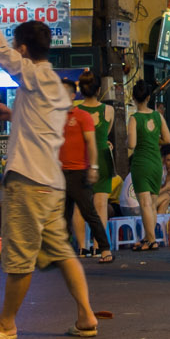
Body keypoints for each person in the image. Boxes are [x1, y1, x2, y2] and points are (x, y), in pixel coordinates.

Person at [0, 0, 100, 339]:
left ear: (23, 48)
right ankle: (86, 315)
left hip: (28, 180)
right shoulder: (52, 83)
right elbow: (43, 124)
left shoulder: (33, 73)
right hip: (50, 182)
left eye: (17, 48)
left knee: (19, 254)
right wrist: (13, 115)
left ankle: (7, 323)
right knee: (60, 249)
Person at [61, 88, 108, 261]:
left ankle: (104, 249)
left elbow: (91, 143)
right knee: (62, 216)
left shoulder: (82, 116)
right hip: (59, 173)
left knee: (89, 212)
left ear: (73, 95)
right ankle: (66, 254)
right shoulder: (54, 117)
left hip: (79, 172)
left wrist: (93, 167)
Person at [124, 80, 170, 251]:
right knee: (151, 203)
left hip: (141, 163)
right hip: (156, 163)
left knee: (144, 203)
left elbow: (132, 144)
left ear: (133, 98)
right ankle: (147, 237)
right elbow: (168, 140)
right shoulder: (158, 116)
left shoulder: (134, 118)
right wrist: (153, 140)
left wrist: (128, 139)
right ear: (149, 97)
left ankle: (152, 239)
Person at [72, 70, 115, 224]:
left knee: (79, 206)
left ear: (81, 91)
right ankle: (100, 246)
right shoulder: (109, 111)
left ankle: (83, 247)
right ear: (98, 90)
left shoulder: (75, 112)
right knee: (101, 206)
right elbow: (104, 135)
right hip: (103, 159)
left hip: (81, 160)